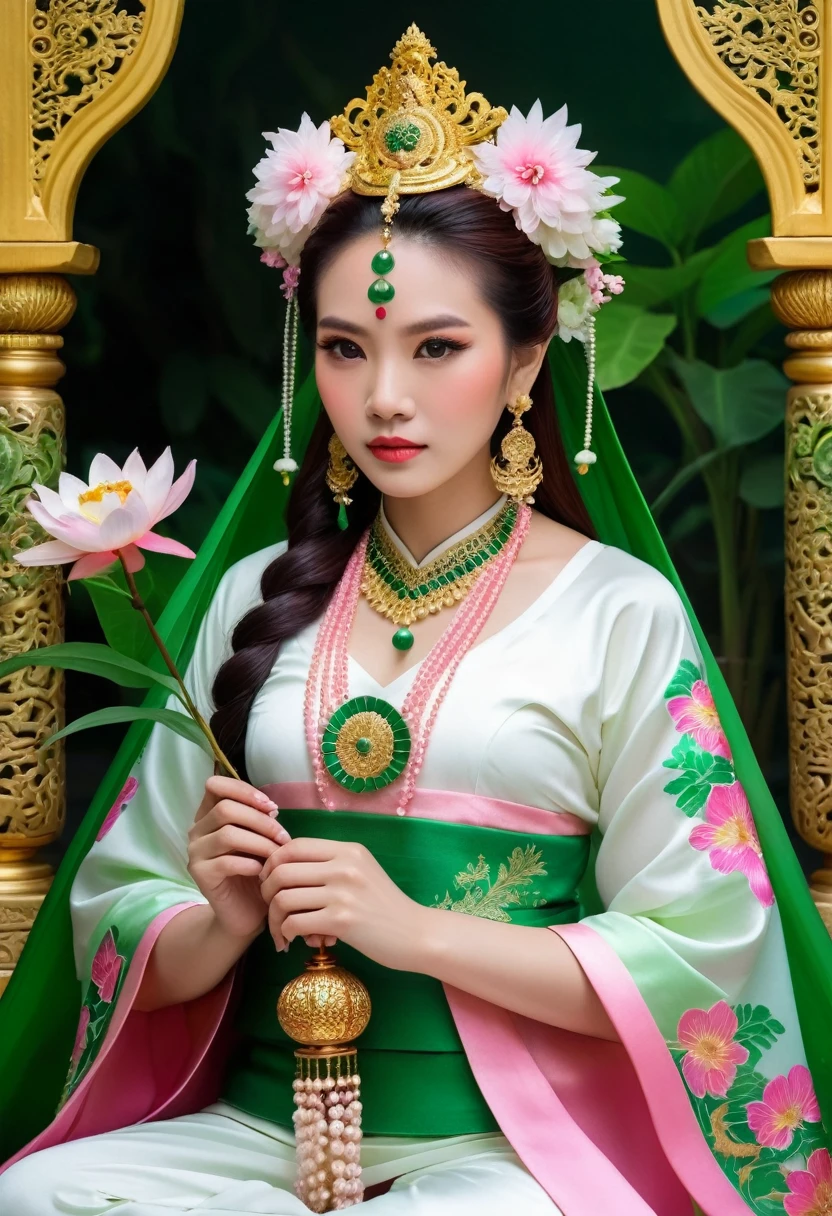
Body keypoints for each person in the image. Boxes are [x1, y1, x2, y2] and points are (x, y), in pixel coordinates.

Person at [1, 23, 831, 1216]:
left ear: (526, 360)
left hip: (515, 1141)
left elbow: (698, 944)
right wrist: (221, 918)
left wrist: (415, 930)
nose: (382, 397)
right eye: (345, 348)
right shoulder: (251, 598)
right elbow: (122, 906)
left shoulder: (618, 609)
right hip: (257, 1126)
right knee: (43, 1195)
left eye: (436, 346)